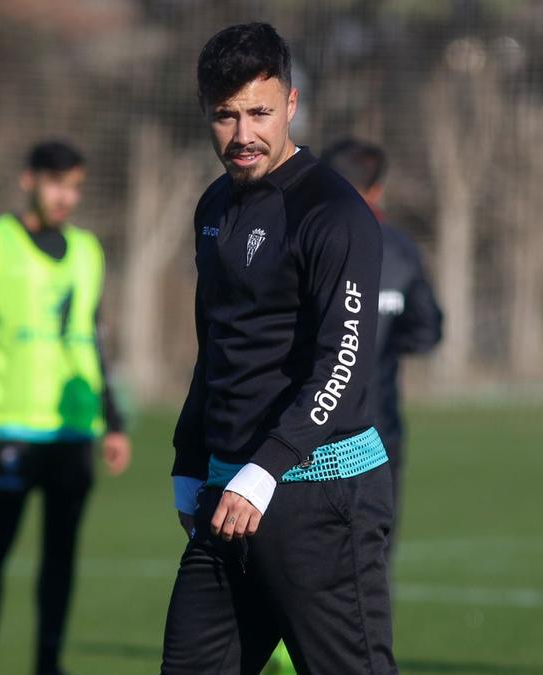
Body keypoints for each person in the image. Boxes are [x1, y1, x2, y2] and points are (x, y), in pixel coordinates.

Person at [161, 23, 396, 674]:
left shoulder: (333, 214)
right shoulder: (214, 207)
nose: (243, 135)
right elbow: (216, 346)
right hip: (226, 495)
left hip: (320, 495)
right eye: (226, 116)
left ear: (291, 104)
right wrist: (189, 459)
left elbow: (341, 364)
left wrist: (266, 470)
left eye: (259, 113)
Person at [0, 140, 132, 675]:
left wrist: (113, 421)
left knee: (61, 556)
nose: (65, 196)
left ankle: (48, 663)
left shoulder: (88, 251)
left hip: (74, 429)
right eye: (56, 183)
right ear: (28, 180)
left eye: (74, 186)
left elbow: (91, 342)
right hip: (10, 427)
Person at [322, 138, 444, 544]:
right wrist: (384, 339)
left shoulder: (299, 241)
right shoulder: (400, 251)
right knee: (371, 562)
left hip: (303, 439)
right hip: (377, 433)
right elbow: (427, 332)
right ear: (376, 189)